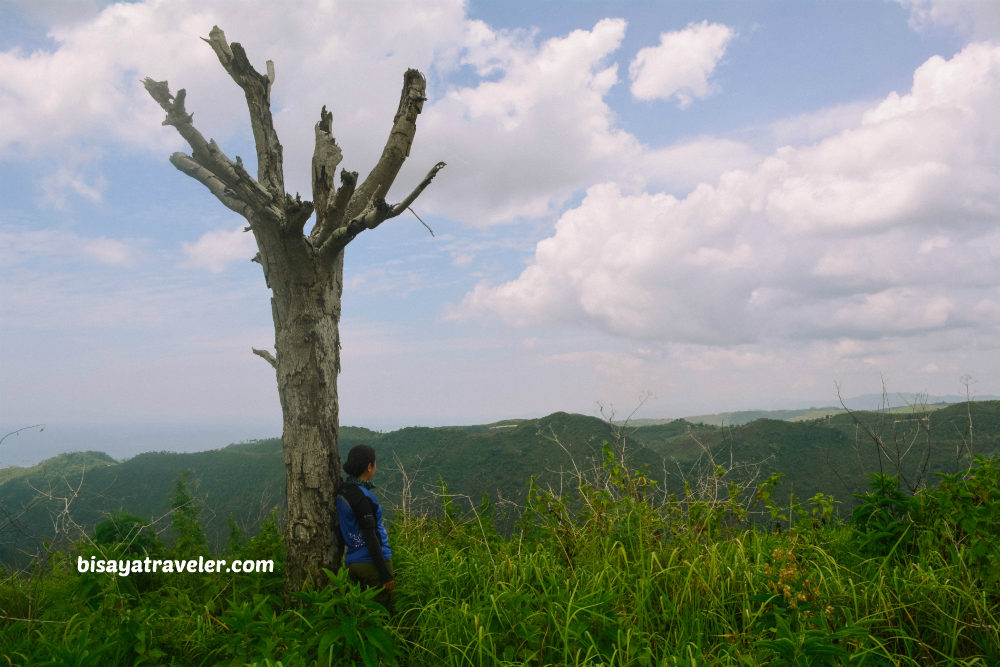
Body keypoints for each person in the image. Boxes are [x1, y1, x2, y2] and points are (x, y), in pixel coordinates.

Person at [337, 444, 394, 612]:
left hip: (352, 562)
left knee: (361, 613)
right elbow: (370, 535)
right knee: (382, 612)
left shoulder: (343, 491)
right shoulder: (363, 497)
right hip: (372, 564)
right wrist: (384, 573)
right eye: (374, 464)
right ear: (369, 467)